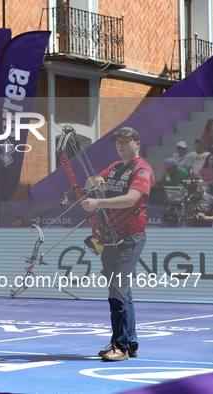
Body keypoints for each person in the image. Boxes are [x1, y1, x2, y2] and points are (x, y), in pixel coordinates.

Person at [81, 127, 154, 362]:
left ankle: (119, 346)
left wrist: (98, 201)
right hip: (110, 237)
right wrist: (98, 179)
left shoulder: (142, 168)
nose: (121, 145)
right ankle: (131, 344)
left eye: (126, 141)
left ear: (137, 144)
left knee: (117, 290)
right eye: (118, 142)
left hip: (129, 237)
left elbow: (132, 198)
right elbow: (87, 182)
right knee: (123, 290)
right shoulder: (114, 167)